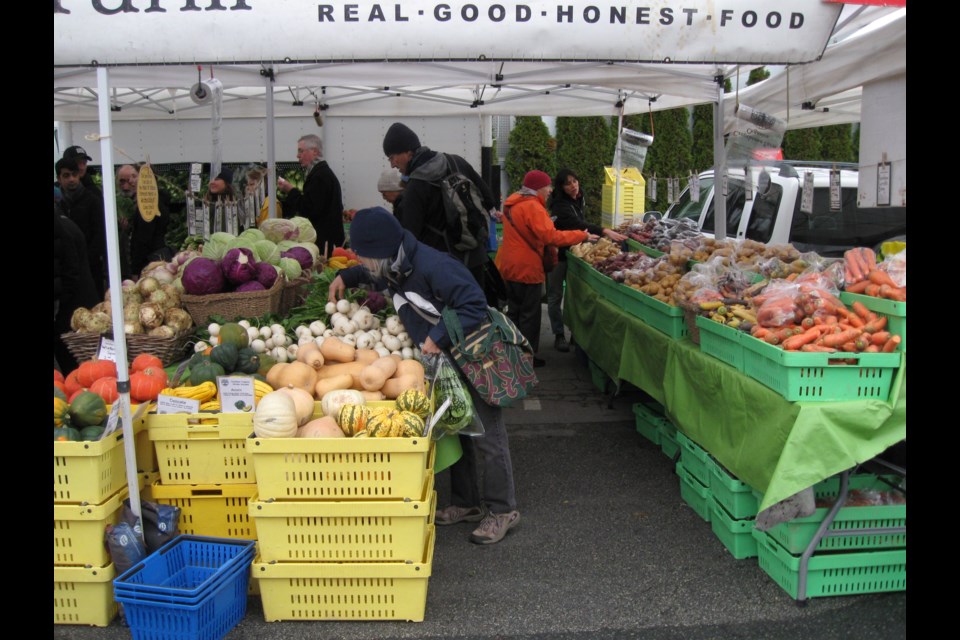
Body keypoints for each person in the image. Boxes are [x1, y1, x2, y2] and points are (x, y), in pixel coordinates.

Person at [328, 207, 521, 545]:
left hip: (474, 357)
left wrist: (438, 336)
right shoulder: (396, 264)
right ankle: (466, 503)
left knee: (488, 434)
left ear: (380, 249)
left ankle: (502, 510)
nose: (362, 260)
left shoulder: (434, 265)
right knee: (458, 427)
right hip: (444, 361)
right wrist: (349, 276)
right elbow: (376, 276)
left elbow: (473, 304)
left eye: (364, 255)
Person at [381, 122, 498, 291]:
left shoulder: (416, 185)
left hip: (444, 267)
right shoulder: (456, 161)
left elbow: (409, 236)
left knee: (453, 315)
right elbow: (488, 198)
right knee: (477, 311)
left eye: (392, 157)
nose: (392, 164)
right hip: (475, 257)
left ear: (408, 152)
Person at [496, 170, 596, 367]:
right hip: (527, 268)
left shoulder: (512, 203)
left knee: (514, 312)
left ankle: (511, 354)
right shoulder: (532, 207)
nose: (550, 190)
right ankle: (527, 359)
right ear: (537, 188)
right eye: (547, 186)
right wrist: (581, 236)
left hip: (509, 266)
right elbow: (552, 237)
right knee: (529, 315)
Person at [547, 168, 628, 352]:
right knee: (555, 295)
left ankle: (576, 334)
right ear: (561, 187)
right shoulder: (559, 206)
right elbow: (578, 225)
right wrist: (603, 230)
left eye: (575, 181)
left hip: (577, 255)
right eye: (568, 184)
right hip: (559, 254)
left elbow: (581, 225)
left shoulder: (579, 197)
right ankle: (558, 335)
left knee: (575, 295)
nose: (573, 186)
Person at [277, 134, 345, 251]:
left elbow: (309, 209)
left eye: (301, 151)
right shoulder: (322, 173)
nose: (297, 155)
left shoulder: (320, 177)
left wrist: (290, 190)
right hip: (329, 241)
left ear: (314, 151)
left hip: (325, 245)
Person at [54, 206, 100, 373]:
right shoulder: (65, 221)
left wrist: (61, 297)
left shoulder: (61, 226)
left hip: (68, 301)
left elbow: (70, 270)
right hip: (74, 300)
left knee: (67, 356)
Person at [57, 157, 107, 298]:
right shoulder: (59, 205)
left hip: (90, 268)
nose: (71, 179)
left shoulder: (92, 201)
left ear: (79, 175)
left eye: (74, 174)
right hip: (67, 272)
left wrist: (86, 259)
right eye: (66, 175)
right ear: (59, 178)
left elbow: (100, 234)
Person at [118, 163, 171, 277]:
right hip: (153, 260)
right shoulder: (154, 202)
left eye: (134, 176)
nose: (132, 182)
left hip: (149, 263)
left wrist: (136, 270)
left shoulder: (149, 205)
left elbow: (142, 240)